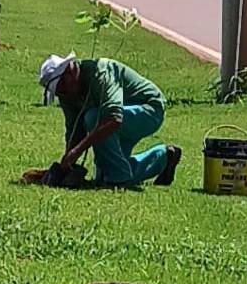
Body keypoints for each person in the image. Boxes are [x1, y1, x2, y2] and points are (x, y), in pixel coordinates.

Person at [38, 53, 181, 188]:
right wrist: (66, 164)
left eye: (62, 89)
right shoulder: (66, 94)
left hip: (149, 110)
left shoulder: (101, 72)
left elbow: (114, 119)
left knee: (93, 117)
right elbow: (74, 130)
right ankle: (163, 157)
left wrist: (77, 151)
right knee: (104, 176)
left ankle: (119, 178)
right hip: (118, 120)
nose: (63, 95)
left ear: (70, 72)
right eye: (58, 92)